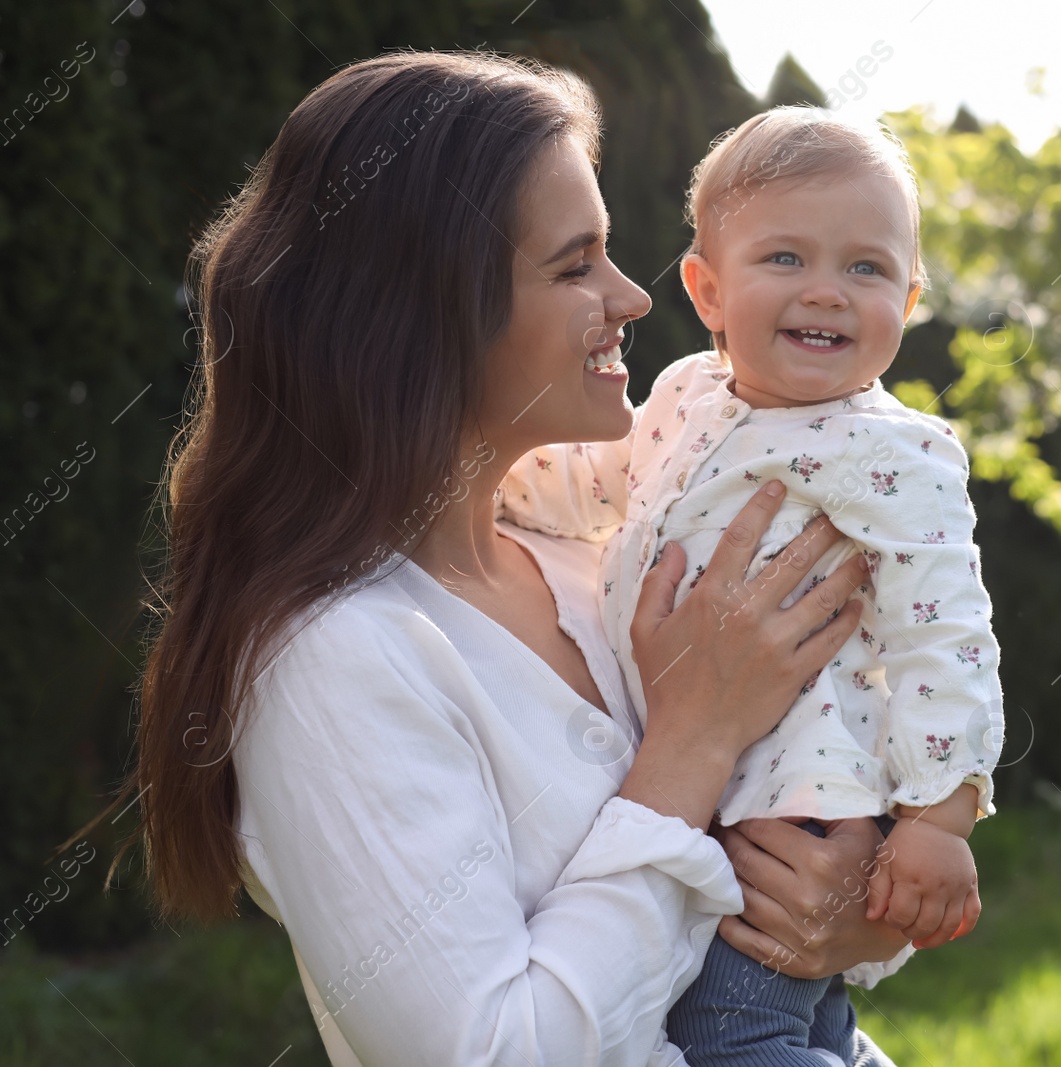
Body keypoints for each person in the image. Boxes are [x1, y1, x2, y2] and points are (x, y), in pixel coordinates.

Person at [88, 53, 911, 1066]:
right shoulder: (328, 658)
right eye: (575, 265)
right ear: (422, 312)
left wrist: (857, 909)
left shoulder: (596, 550)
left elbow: (791, 830)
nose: (631, 297)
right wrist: (689, 742)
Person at [499, 107, 1004, 1064]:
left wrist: (938, 819)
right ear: (706, 287)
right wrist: (492, 483)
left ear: (911, 294)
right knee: (804, 1032)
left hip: (797, 805)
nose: (828, 292)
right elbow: (605, 484)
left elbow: (949, 641)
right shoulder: (687, 394)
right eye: (785, 259)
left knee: (729, 1038)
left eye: (867, 268)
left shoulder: (896, 454)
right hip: (715, 787)